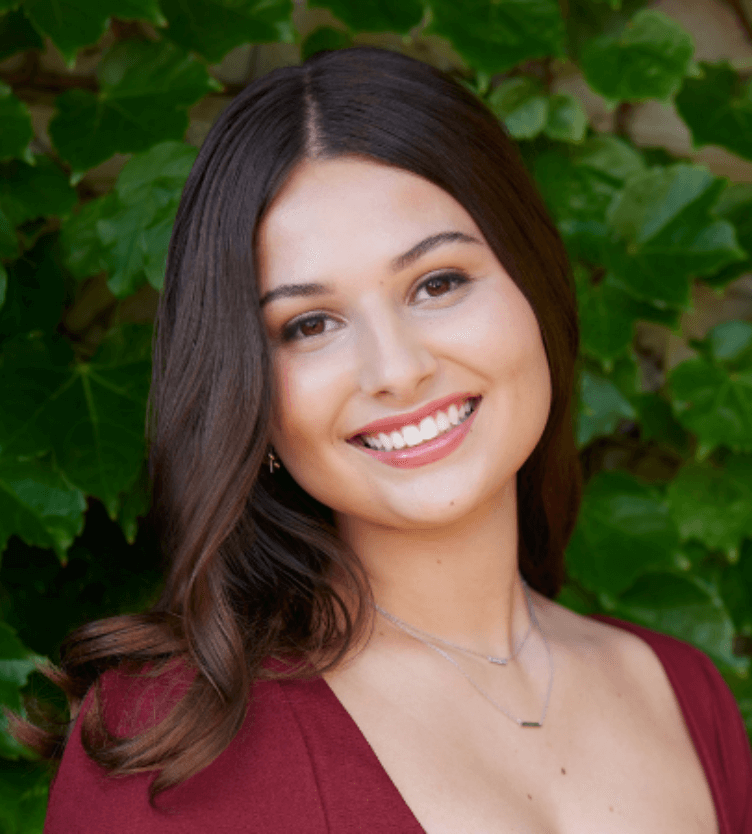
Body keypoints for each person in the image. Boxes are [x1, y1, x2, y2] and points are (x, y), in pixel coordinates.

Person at [27, 46, 750, 832]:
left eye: (438, 283)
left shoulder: (686, 694)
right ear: (247, 393)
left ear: (535, 286)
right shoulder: (166, 748)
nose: (397, 370)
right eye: (310, 324)